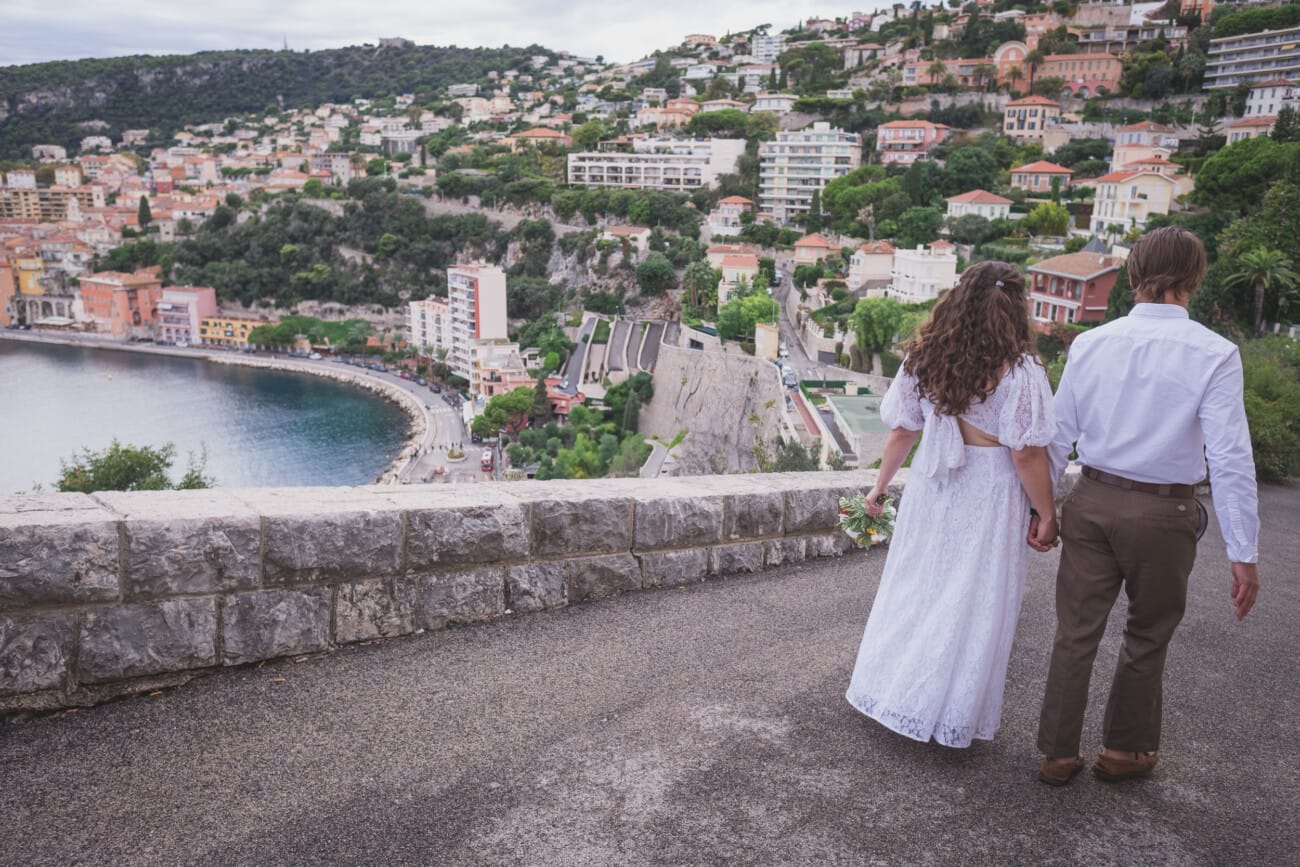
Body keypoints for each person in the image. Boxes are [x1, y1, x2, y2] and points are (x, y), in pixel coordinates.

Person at [1036, 226, 1260, 787]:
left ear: (1134, 274)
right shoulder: (1216, 352)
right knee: (1147, 635)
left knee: (1075, 632)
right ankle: (1124, 751)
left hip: (1090, 499)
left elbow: (1057, 435)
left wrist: (1040, 512)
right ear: (1194, 278)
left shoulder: (1091, 342)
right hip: (1165, 515)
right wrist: (1244, 551)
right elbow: (1231, 457)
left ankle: (1058, 754)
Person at [845, 261, 1059, 748]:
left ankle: (887, 689)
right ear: (1017, 309)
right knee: (973, 597)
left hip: (933, 485)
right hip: (991, 491)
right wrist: (1047, 513)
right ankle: (943, 712)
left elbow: (903, 429)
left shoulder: (924, 357)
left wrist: (879, 487)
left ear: (957, 301)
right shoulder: (1021, 372)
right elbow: (1026, 453)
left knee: (918, 584)